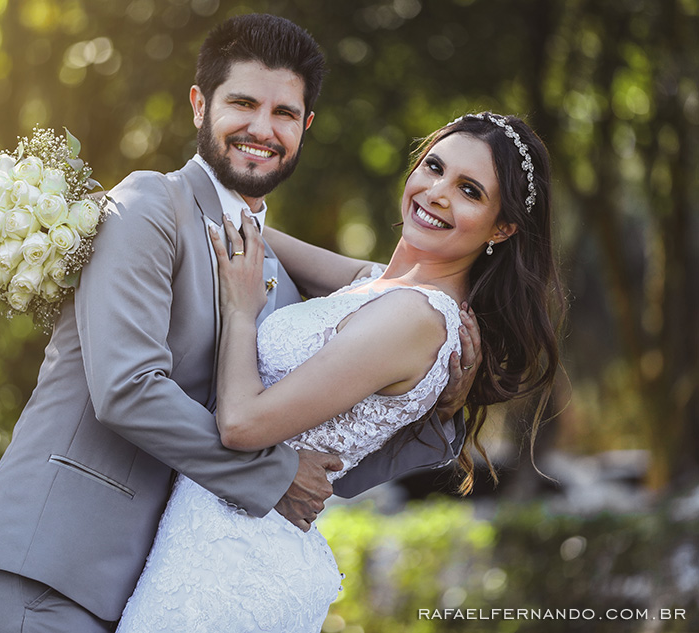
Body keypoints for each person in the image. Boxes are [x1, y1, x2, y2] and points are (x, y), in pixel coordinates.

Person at [0, 14, 478, 632]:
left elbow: (327, 443)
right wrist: (272, 475)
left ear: (305, 127)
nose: (262, 128)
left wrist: (438, 389)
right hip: (56, 557)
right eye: (242, 103)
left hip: (157, 585)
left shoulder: (271, 270)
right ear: (201, 105)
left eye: (284, 113)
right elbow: (126, 389)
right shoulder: (148, 207)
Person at [116, 111, 564, 631]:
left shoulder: (415, 318)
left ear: (502, 227)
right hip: (207, 537)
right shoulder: (379, 287)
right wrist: (159, 198)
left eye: (469, 191)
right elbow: (252, 232)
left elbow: (241, 425)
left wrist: (240, 312)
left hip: (236, 564)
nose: (437, 192)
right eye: (434, 167)